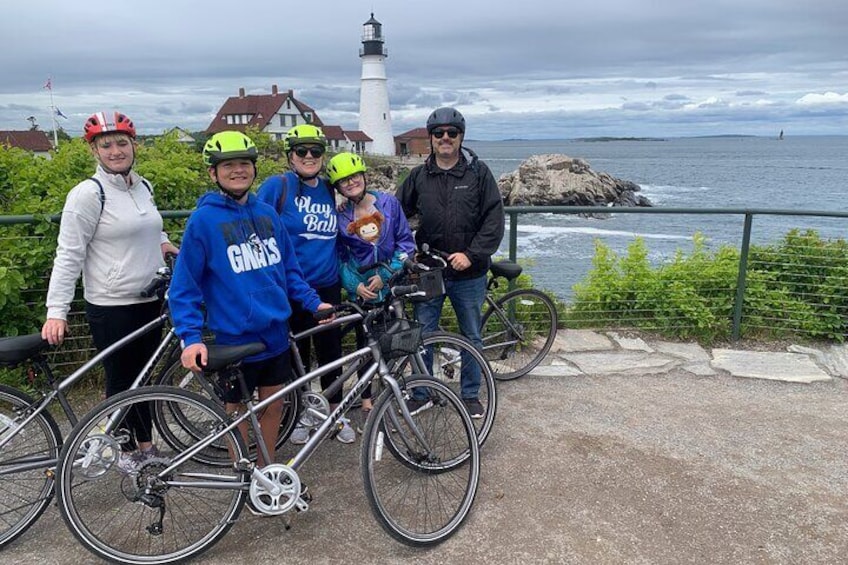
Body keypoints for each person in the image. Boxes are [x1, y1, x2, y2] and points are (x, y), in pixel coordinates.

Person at [169, 131, 332, 470]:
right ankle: (243, 474)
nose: (238, 171)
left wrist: (314, 303)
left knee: (274, 405)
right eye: (228, 165)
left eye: (244, 164)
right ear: (213, 173)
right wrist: (191, 337)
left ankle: (266, 470)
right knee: (238, 411)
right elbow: (184, 286)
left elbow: (289, 271)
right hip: (235, 337)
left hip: (275, 331)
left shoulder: (268, 215)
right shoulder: (203, 221)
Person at [41, 111, 179, 473]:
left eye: (122, 142)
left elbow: (148, 227)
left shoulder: (143, 186)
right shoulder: (88, 194)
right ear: (94, 151)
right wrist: (57, 310)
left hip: (150, 298)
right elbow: (69, 254)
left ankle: (146, 446)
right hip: (111, 305)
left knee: (143, 380)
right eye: (106, 145)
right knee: (121, 380)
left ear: (134, 145)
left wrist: (164, 243)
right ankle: (125, 450)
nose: (116, 150)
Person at [395, 107, 505, 418]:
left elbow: (494, 220)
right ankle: (421, 392)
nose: (445, 138)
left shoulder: (478, 173)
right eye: (439, 133)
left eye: (451, 133)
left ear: (460, 137)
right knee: (423, 334)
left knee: (471, 335)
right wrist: (404, 250)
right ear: (430, 138)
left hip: (469, 272)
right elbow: (395, 213)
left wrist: (471, 254)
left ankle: (470, 394)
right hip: (430, 270)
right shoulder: (418, 176)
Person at [256, 125, 354, 444]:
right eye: (302, 151)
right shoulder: (277, 186)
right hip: (292, 287)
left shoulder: (328, 188)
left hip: (327, 284)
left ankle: (335, 414)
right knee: (296, 354)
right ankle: (300, 414)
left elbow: (360, 202)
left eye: (315, 151)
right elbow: (253, 218)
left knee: (331, 352)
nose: (309, 157)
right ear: (290, 156)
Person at [327, 152, 416, 425]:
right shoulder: (341, 217)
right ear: (338, 188)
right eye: (343, 181)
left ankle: (393, 394)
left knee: (394, 343)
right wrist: (356, 286)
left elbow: (405, 243)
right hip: (362, 290)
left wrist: (388, 275)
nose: (351, 183)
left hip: (390, 287)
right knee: (365, 345)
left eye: (354, 176)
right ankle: (366, 400)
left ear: (364, 176)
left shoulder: (388, 204)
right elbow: (340, 256)